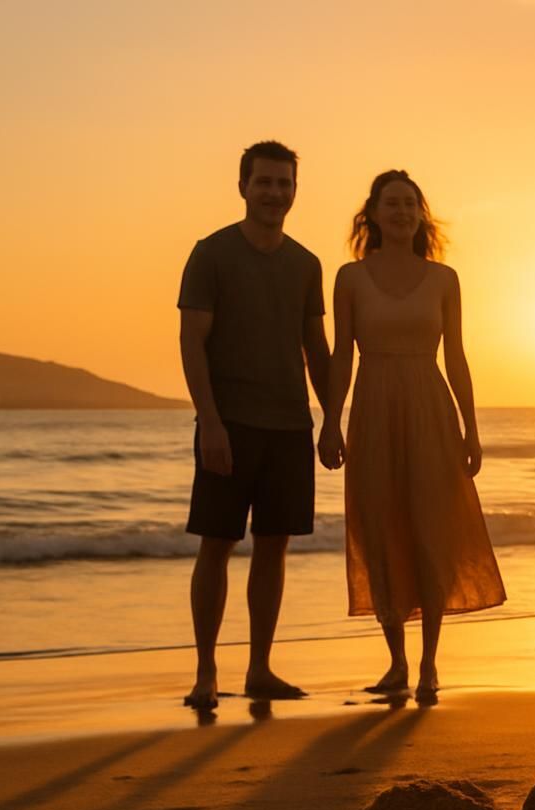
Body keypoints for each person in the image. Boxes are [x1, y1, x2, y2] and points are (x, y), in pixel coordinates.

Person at [318, 170, 506, 705]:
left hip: (430, 408)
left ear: (420, 215)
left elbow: (457, 357)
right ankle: (396, 662)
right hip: (373, 409)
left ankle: (428, 665)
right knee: (380, 532)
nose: (401, 212)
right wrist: (330, 420)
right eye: (391, 204)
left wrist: (472, 428)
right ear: (372, 214)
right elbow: (340, 355)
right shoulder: (350, 277)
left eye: (409, 204)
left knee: (431, 532)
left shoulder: (444, 278)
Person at [178, 140, 330, 712]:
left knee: (274, 548)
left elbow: (316, 349)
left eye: (283, 183)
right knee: (215, 545)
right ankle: (205, 673)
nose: (274, 193)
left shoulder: (305, 264)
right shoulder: (211, 254)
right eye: (264, 182)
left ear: (295, 190)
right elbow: (192, 341)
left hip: (289, 427)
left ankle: (260, 667)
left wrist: (332, 419)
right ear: (242, 186)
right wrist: (210, 422)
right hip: (229, 425)